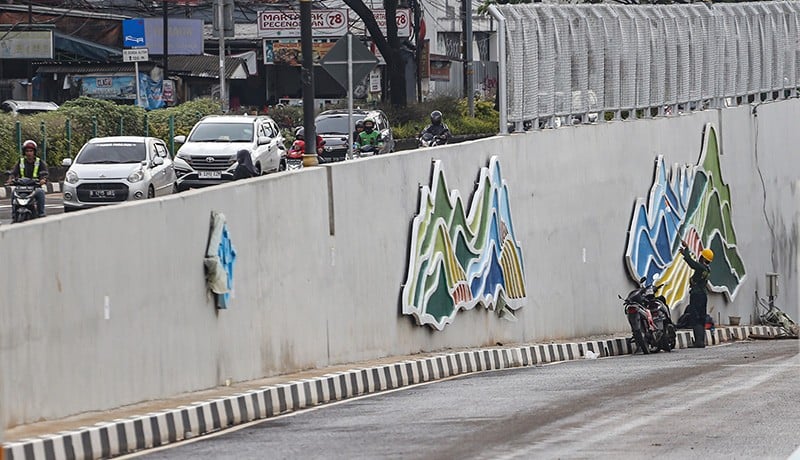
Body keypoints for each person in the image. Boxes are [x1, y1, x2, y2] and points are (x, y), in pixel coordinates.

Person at [680, 240, 713, 348]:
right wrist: (685, 251)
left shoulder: (701, 267)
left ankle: (698, 342)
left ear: (703, 258)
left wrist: (686, 250)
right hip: (703, 295)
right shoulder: (707, 269)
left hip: (696, 295)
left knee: (695, 318)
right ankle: (700, 341)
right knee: (702, 318)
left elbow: (691, 262)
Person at [6, 139, 48, 217]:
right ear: (24, 152)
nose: (29, 153)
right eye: (27, 151)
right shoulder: (20, 162)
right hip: (21, 187)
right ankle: (14, 213)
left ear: (34, 152)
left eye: (31, 151)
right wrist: (11, 179)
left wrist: (43, 179)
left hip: (34, 187)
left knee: (40, 193)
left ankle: (41, 213)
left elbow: (44, 173)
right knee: (13, 193)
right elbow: (14, 172)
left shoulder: (39, 162)